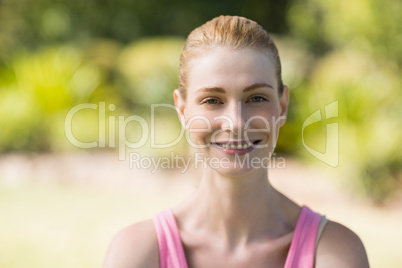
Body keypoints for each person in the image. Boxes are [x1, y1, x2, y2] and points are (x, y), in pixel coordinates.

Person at [103, 15, 369, 268]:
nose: (236, 122)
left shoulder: (334, 252)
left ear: (283, 105)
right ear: (183, 110)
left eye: (256, 98)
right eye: (212, 100)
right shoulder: (137, 254)